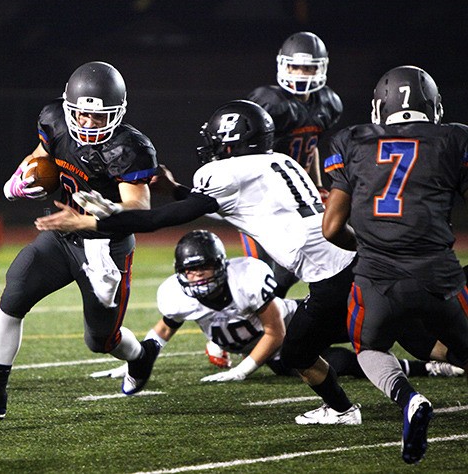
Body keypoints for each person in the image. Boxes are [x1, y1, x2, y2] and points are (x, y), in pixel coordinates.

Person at [34, 99, 364, 425]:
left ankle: (346, 409)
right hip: (351, 260)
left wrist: (90, 224)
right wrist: (176, 189)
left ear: (232, 143)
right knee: (364, 331)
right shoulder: (282, 161)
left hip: (328, 275)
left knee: (300, 352)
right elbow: (223, 204)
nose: (211, 147)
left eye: (217, 140)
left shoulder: (224, 172)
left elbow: (156, 220)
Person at [0, 61, 160, 420]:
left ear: (118, 114)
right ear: (68, 108)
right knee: (14, 294)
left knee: (101, 340)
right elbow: (40, 157)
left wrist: (107, 209)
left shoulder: (129, 147)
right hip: (62, 236)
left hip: (105, 247)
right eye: (82, 115)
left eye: (99, 117)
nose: (89, 124)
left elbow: (138, 206)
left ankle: (141, 356)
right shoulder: (55, 121)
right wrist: (18, 179)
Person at [322, 65, 468, 464]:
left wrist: (368, 244)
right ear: (434, 107)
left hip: (376, 278)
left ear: (378, 107)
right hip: (439, 275)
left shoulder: (352, 141)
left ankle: (408, 398)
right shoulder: (455, 138)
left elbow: (332, 228)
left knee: (368, 346)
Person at [91, 231, 463, 383]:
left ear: (221, 268)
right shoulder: (177, 293)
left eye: (205, 270)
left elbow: (275, 329)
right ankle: (428, 367)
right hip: (274, 352)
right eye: (192, 271)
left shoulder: (246, 279)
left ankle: (444, 334)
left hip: (294, 322)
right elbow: (166, 326)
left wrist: (244, 369)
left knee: (376, 327)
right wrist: (139, 357)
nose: (200, 278)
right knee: (329, 365)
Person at [241, 31, 343, 297]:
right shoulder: (269, 102)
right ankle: (248, 331)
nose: (300, 73)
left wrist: (318, 184)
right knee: (259, 273)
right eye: (295, 65)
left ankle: (276, 322)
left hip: (297, 196)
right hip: (262, 198)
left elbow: (312, 146)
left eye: (308, 67)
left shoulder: (328, 103)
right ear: (282, 65)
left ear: (321, 68)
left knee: (292, 268)